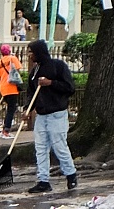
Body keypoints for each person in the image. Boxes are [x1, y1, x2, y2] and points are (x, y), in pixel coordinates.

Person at [26, 39, 77, 194]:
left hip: (57, 115)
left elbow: (70, 88)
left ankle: (71, 175)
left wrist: (51, 83)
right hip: (41, 116)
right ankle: (43, 180)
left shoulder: (58, 66)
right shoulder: (34, 72)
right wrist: (27, 109)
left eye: (31, 52)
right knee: (40, 148)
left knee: (59, 146)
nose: (29, 55)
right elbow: (31, 93)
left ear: (39, 52)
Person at [0, 44, 24, 136]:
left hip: (3, 87)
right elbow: (18, 71)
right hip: (11, 87)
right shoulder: (13, 59)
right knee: (12, 108)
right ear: (9, 51)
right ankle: (6, 129)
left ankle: (5, 127)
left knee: (10, 108)